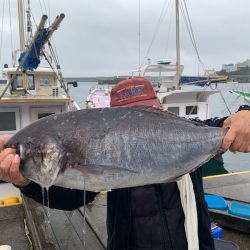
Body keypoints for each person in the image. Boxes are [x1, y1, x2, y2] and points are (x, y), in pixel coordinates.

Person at [1, 77, 250, 250]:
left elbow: (230, 127)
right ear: (114, 119)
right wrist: (26, 182)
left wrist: (245, 113)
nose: (138, 129)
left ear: (159, 110)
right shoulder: (100, 147)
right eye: (131, 119)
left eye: (146, 114)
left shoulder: (194, 131)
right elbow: (72, 198)